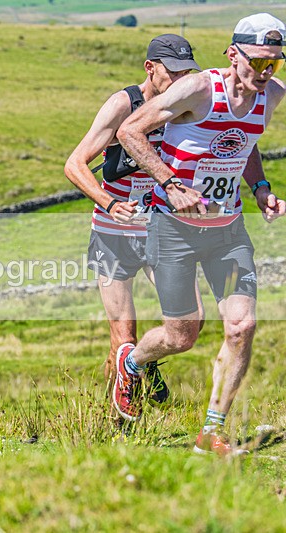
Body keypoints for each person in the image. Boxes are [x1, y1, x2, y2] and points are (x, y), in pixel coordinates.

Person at [114, 13, 286, 455]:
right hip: (172, 229)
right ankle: (132, 363)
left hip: (227, 232)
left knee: (242, 326)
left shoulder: (273, 94)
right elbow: (129, 131)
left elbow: (245, 144)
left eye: (275, 63)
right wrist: (170, 184)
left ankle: (212, 432)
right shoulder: (198, 90)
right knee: (182, 335)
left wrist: (261, 189)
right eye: (258, 62)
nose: (265, 72)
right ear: (233, 54)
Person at [64, 34, 201, 403]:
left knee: (190, 321)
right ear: (149, 68)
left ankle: (144, 359)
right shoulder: (123, 105)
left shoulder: (188, 103)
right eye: (173, 72)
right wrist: (109, 203)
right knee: (122, 336)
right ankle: (120, 421)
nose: (181, 79)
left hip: (161, 229)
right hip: (113, 233)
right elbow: (74, 164)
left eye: (186, 72)